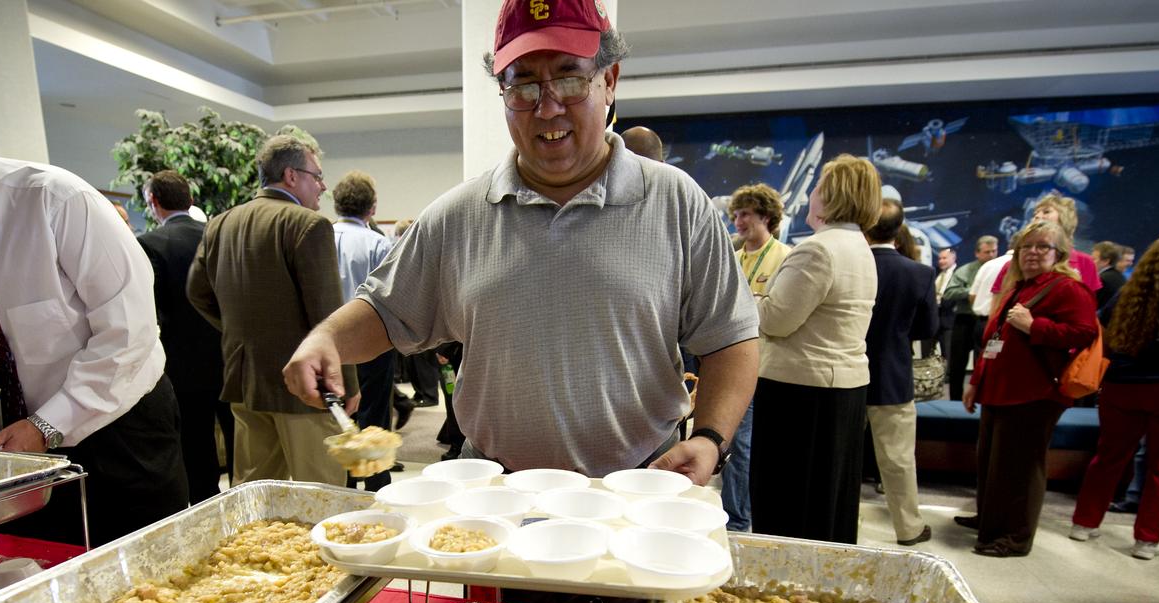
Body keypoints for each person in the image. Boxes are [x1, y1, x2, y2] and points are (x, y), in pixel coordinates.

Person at [282, 0, 757, 489]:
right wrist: (327, 339)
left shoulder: (676, 203)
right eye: (522, 83)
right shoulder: (459, 214)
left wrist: (710, 438)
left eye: (570, 78)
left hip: (635, 485)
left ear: (609, 80)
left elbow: (730, 337)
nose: (546, 106)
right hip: (496, 489)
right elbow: (387, 312)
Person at [0, 86, 186, 545]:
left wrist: (46, 425)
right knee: (33, 578)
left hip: (116, 432)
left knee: (153, 579)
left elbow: (129, 333)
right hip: (2, 456)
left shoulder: (55, 200)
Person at [188, 134, 359, 486]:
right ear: (291, 176)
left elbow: (197, 292)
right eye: (317, 176)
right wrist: (348, 385)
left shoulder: (220, 223)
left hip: (246, 381)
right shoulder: (308, 225)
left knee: (256, 495)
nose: (322, 186)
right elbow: (327, 314)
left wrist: (240, 333)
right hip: (308, 387)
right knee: (321, 494)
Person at [751, 154, 880, 544]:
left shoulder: (817, 250)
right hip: (842, 389)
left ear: (833, 194)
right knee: (828, 504)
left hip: (801, 394)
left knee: (790, 504)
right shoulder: (858, 246)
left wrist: (745, 296)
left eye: (818, 185)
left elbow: (775, 320)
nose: (810, 193)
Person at [956, 220, 1098, 557]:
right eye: (1026, 247)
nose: (1033, 253)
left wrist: (1037, 327)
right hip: (1001, 390)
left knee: (1021, 467)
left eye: (1042, 247)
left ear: (1059, 253)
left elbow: (1083, 333)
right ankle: (990, 520)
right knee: (993, 461)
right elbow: (996, 338)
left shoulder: (1067, 288)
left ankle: (1014, 537)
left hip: (1034, 394)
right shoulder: (1020, 286)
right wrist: (976, 382)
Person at [1070, 224, 1159, 560]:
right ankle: (1147, 540)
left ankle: (1084, 522)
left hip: (1123, 384)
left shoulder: (1135, 288)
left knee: (1108, 456)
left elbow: (1101, 327)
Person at [138, 169, 231, 503]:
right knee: (239, 439)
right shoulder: (219, 235)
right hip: (229, 354)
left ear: (153, 202)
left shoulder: (149, 244)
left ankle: (207, 507)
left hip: (183, 363)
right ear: (190, 198)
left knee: (196, 444)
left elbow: (151, 311)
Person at [864, 199, 939, 545]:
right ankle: (908, 528)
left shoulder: (853, 266)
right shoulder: (919, 274)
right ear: (899, 230)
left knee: (841, 460)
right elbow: (927, 329)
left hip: (844, 377)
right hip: (893, 378)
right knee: (897, 460)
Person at [725, 182, 790, 532]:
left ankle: (738, 521)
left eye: (746, 214)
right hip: (731, 365)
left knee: (745, 449)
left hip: (766, 367)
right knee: (731, 447)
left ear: (766, 215)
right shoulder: (733, 258)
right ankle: (733, 514)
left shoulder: (785, 257)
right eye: (735, 215)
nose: (738, 221)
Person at [331, 170, 396, 490]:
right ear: (371, 208)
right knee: (374, 415)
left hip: (329, 343)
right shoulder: (378, 243)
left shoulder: (319, 237)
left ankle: (342, 482)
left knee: (338, 418)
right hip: (370, 341)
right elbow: (390, 296)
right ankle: (375, 484)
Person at [943, 235, 998, 400]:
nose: (991, 255)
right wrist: (973, 291)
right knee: (957, 363)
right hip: (965, 319)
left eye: (994, 251)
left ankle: (980, 399)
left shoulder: (999, 269)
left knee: (982, 362)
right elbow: (949, 293)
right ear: (977, 253)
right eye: (987, 252)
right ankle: (954, 401)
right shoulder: (966, 270)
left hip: (986, 320)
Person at [929, 246, 956, 359]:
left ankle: (948, 376)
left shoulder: (958, 274)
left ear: (953, 258)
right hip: (933, 318)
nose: (941, 261)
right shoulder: (935, 273)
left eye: (944, 258)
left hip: (949, 319)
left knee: (948, 353)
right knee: (927, 353)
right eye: (939, 258)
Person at [1091, 240, 1126, 310]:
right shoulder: (1121, 277)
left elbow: (1092, 306)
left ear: (1105, 261)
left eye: (1094, 259)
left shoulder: (1102, 279)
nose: (1090, 261)